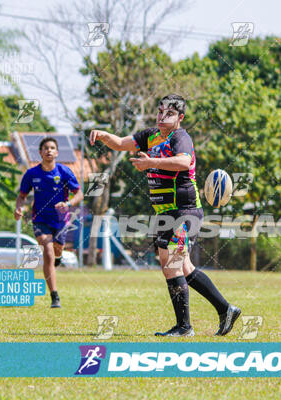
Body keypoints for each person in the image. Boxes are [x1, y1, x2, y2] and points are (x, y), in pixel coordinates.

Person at [89, 94, 241, 337]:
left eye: (168, 113)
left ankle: (184, 328)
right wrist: (103, 135)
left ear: (180, 117)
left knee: (172, 265)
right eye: (160, 111)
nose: (161, 116)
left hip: (185, 212)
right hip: (164, 213)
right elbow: (120, 143)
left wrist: (152, 163)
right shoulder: (149, 136)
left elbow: (183, 161)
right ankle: (226, 309)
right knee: (183, 267)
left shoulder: (180, 137)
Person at [14, 137, 83, 308]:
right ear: (40, 152)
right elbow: (22, 196)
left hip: (61, 221)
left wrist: (68, 204)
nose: (49, 150)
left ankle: (58, 258)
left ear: (57, 152)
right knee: (48, 252)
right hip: (40, 219)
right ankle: (54, 296)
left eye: (52, 148)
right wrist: (18, 208)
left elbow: (80, 194)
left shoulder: (64, 172)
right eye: (45, 148)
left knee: (57, 250)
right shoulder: (31, 174)